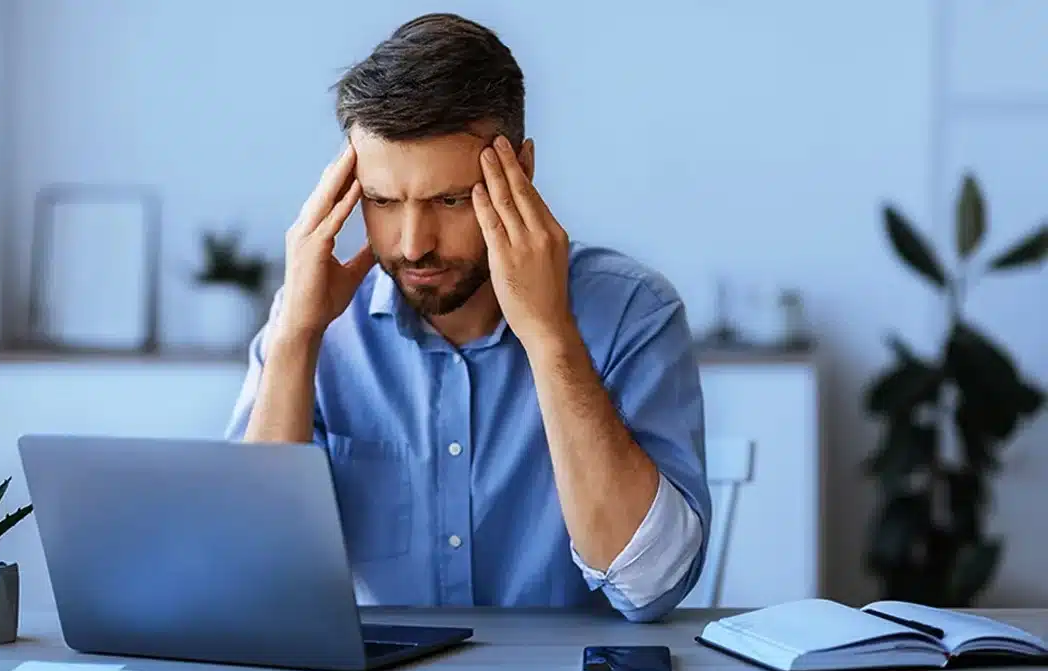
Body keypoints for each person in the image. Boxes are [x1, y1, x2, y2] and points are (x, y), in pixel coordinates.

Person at [225, 12, 711, 623]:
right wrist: (296, 339)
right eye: (381, 201)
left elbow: (651, 587)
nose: (412, 244)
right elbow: (253, 584)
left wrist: (550, 336)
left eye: (449, 200)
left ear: (521, 172)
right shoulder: (315, 321)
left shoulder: (632, 311)